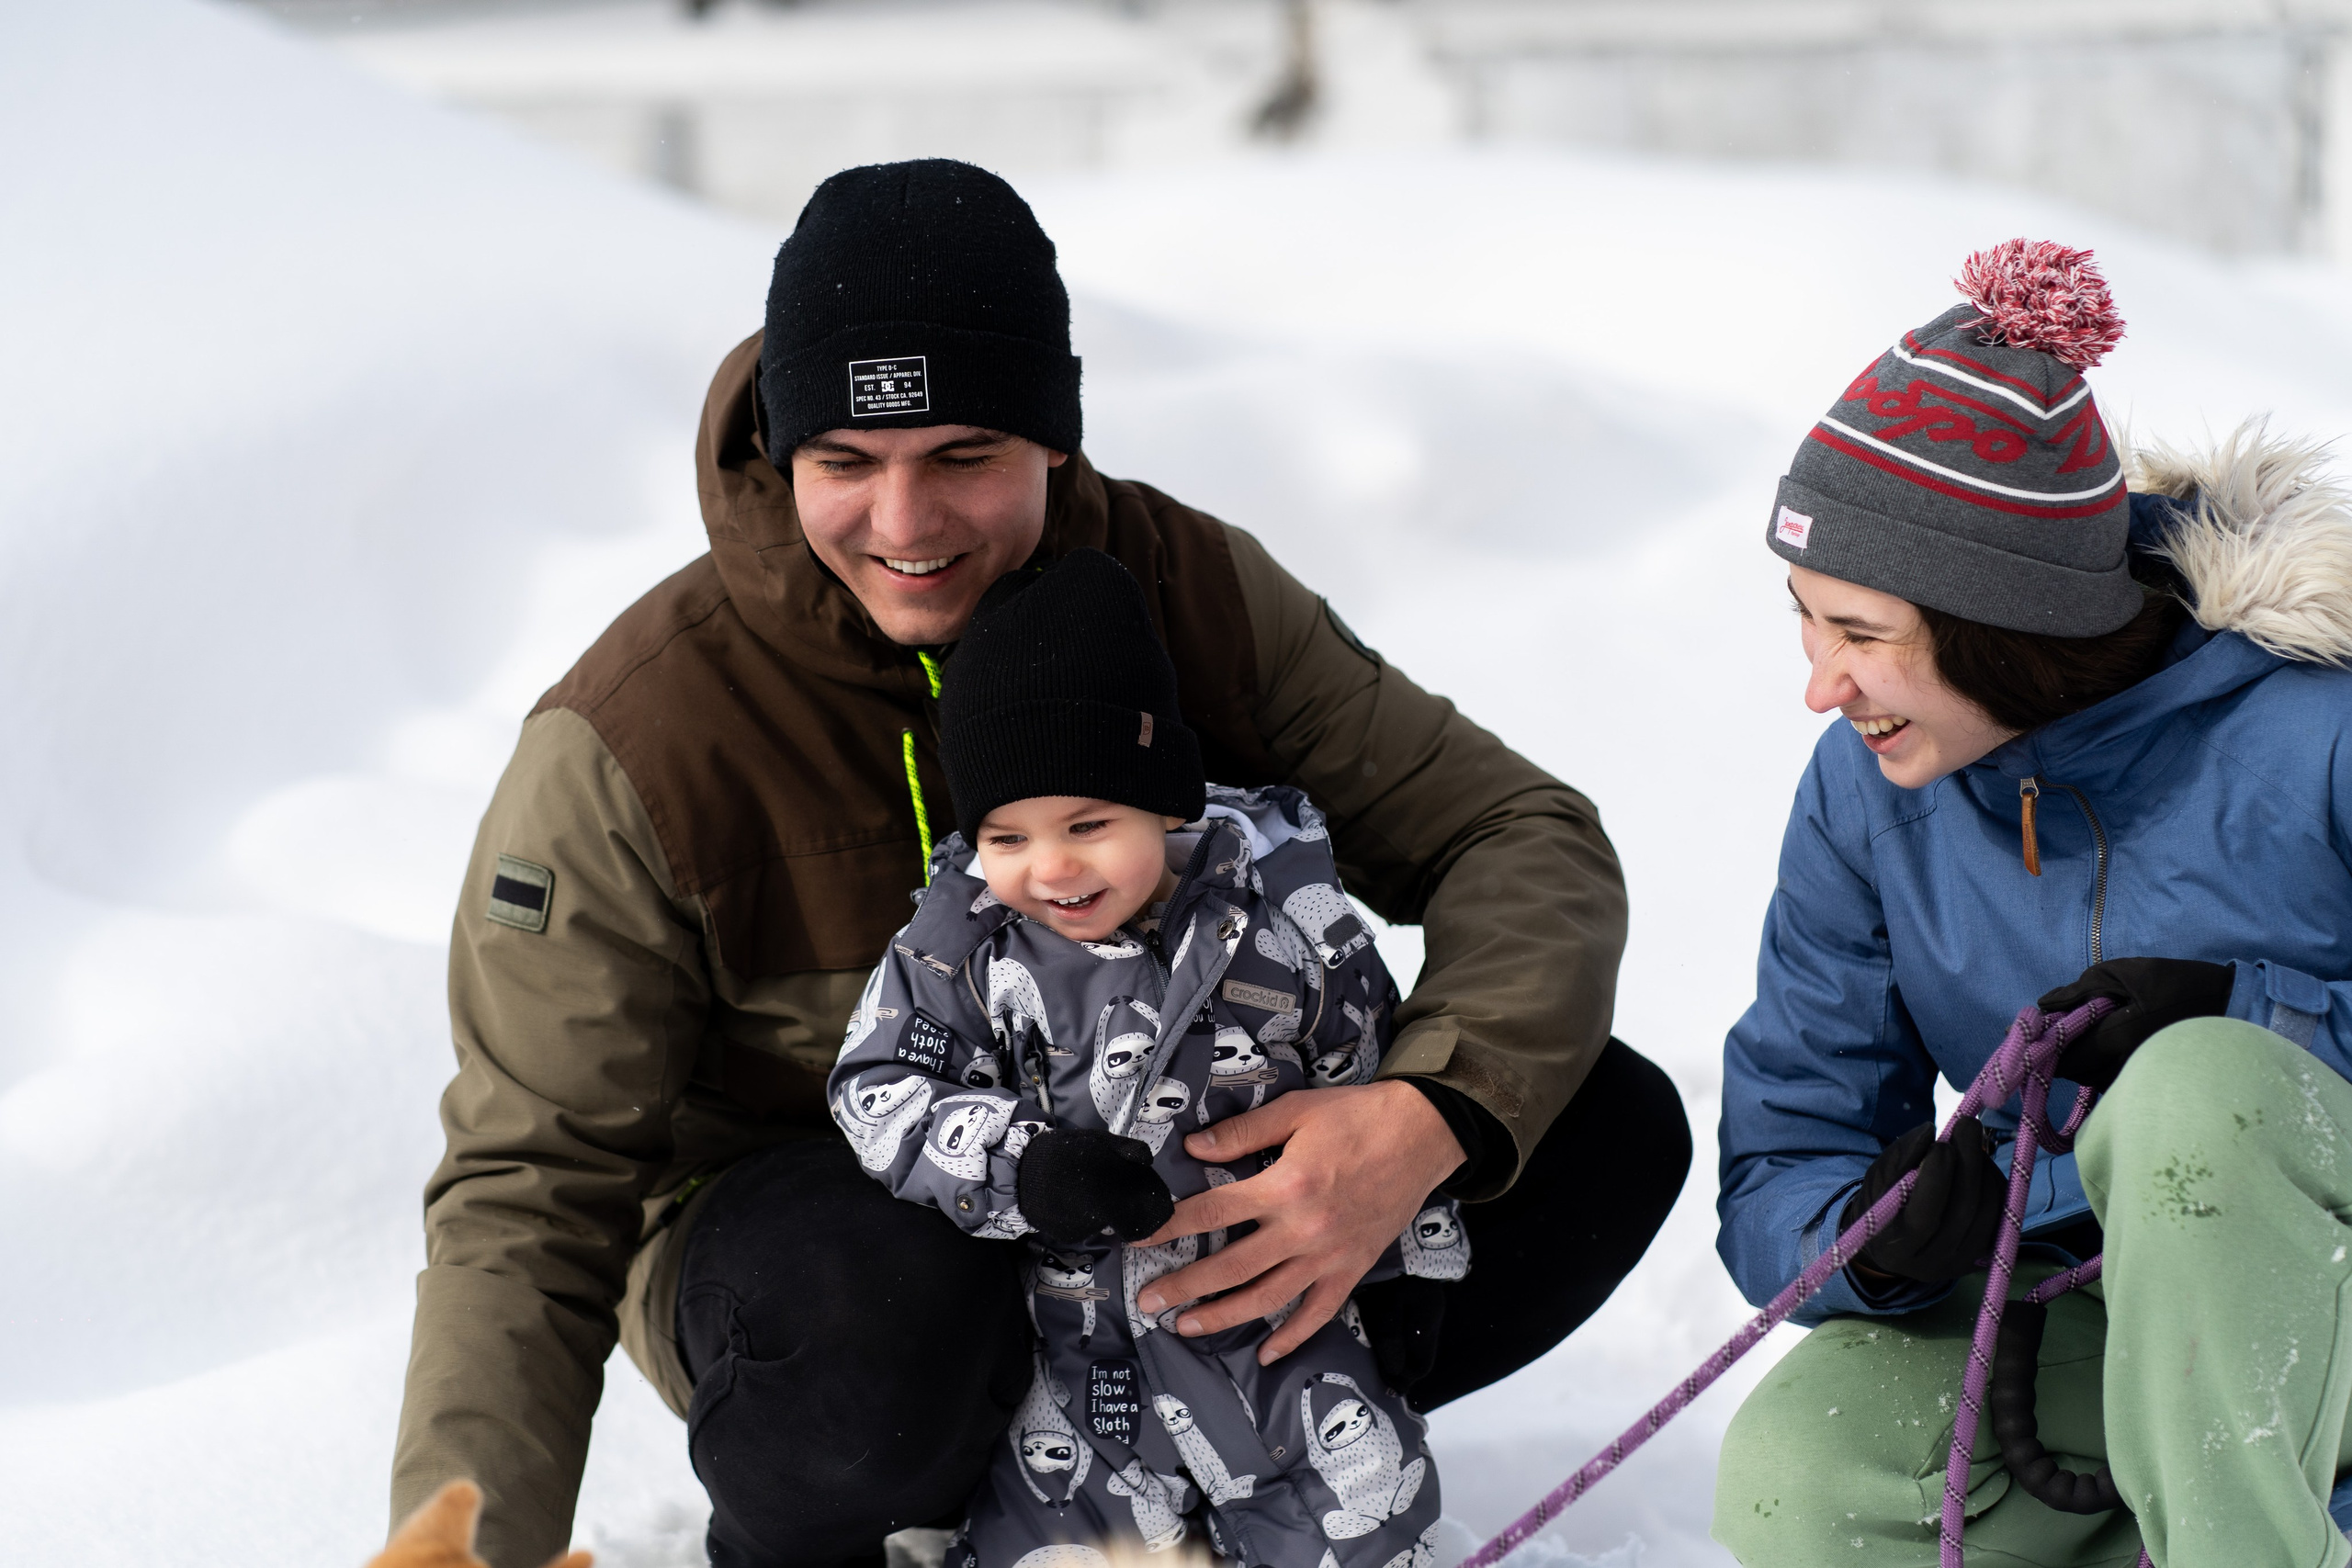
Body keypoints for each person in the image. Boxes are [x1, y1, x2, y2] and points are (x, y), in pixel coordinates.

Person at [389, 157, 1690, 1568]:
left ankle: (1259, 1455)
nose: (905, 524)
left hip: (1167, 1193)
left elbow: (1518, 832)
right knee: (879, 1295)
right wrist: (461, 1545)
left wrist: (1424, 1112)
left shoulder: (1188, 589)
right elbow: (529, 1184)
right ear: (781, 450)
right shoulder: (640, 735)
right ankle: (871, 1518)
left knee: (1592, 1122)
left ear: (1054, 437)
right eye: (845, 462)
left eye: (963, 455)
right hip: (839, 1252)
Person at [1709, 238, 2352, 1568]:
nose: (1821, 684)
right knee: (1806, 1468)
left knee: (2197, 1094)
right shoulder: (1866, 789)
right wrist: (1874, 1241)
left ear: (2004, 623)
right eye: (1806, 619)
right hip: (2081, 1316)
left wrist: (2255, 1017)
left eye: (1862, 634)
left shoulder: (2321, 734)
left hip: (2321, 1301)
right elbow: (1792, 1142)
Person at [832, 547, 1464, 1568]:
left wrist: (1411, 1263)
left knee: (1364, 1515)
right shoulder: (962, 944)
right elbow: (878, 1088)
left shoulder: (1287, 925)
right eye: (1006, 836)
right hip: (1077, 1353)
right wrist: (1024, 1165)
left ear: (1165, 803)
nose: (1051, 866)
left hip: (1280, 1321)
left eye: (1088, 824)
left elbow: (1373, 1080)